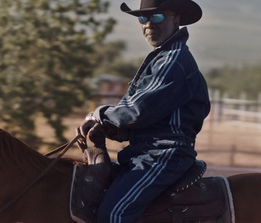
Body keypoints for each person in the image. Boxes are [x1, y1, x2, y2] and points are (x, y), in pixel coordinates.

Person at [78, 0, 211, 222]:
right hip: (146, 153)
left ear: (176, 19)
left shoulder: (173, 60)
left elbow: (137, 110)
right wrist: (109, 129)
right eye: (143, 18)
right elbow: (144, 120)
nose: (149, 24)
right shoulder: (163, 58)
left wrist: (99, 115)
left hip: (164, 154)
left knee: (114, 214)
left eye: (157, 17)